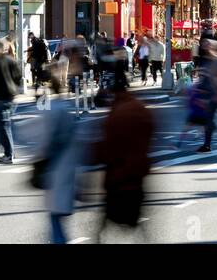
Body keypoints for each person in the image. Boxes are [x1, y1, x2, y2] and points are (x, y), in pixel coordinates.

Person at [93, 74, 153, 241]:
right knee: (135, 224)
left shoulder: (116, 115)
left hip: (119, 178)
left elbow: (108, 147)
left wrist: (95, 154)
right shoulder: (140, 108)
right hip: (138, 176)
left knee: (104, 227)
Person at [37, 69, 85, 244]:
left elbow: (46, 139)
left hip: (56, 168)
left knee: (55, 218)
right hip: (68, 167)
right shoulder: (65, 109)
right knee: (57, 217)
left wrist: (40, 160)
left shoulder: (53, 109)